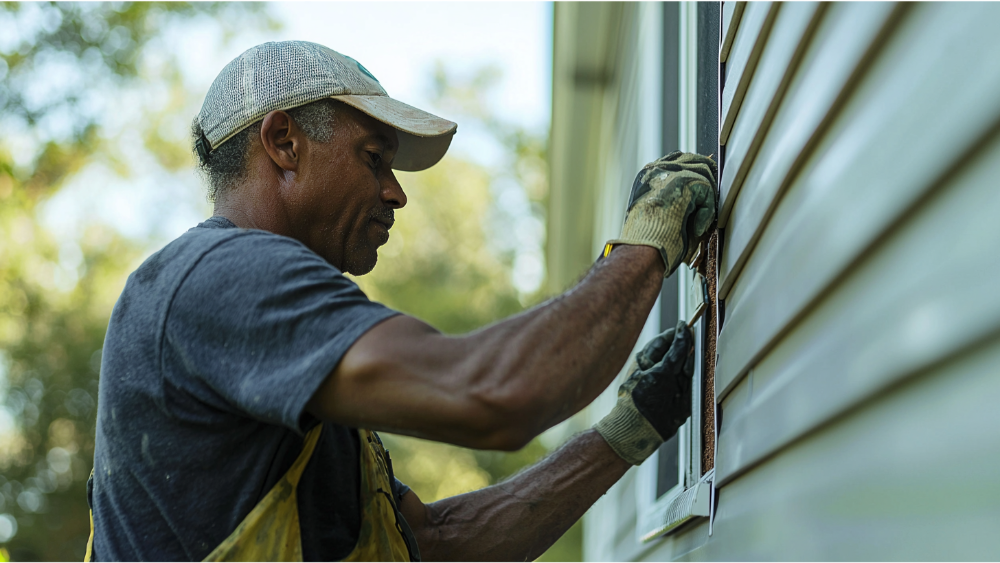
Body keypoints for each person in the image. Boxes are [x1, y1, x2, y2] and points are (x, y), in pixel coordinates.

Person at [85, 41, 716, 563]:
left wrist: (630, 430)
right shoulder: (224, 277)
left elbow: (433, 544)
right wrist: (647, 239)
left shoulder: (250, 328)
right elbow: (493, 392)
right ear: (283, 143)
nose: (396, 194)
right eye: (373, 159)